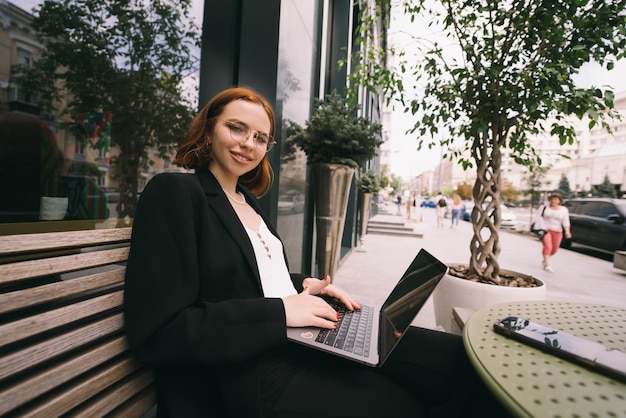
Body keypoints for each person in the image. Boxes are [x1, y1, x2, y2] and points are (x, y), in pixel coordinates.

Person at [124, 86, 509, 417]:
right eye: (236, 128)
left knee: (455, 358)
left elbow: (246, 276)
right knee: (401, 403)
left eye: (260, 137)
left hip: (291, 337)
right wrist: (282, 311)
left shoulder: (246, 200)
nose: (248, 144)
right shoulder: (176, 192)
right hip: (242, 372)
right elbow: (159, 331)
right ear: (209, 130)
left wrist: (304, 285)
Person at [538, 192, 572, 272]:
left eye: (556, 199)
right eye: (552, 199)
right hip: (545, 230)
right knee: (548, 246)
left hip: (557, 231)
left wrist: (567, 231)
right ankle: (547, 264)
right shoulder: (544, 207)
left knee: (554, 249)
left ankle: (545, 258)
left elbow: (566, 221)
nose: (553, 201)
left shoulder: (564, 210)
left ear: (559, 201)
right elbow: (538, 217)